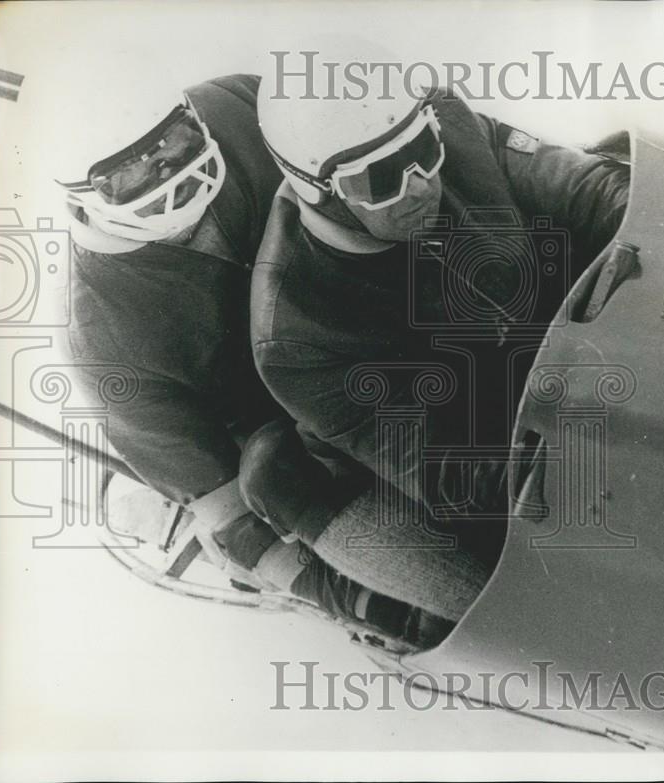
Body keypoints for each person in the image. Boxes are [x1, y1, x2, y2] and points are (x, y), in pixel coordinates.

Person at [53, 70, 450, 648]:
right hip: (315, 438)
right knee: (269, 474)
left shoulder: (242, 105)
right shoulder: (101, 341)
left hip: (399, 319)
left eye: (174, 142)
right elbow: (226, 506)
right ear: (83, 199)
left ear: (192, 114)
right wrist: (334, 592)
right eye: (131, 174)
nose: (169, 174)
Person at [247, 39, 630, 612]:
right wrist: (613, 476)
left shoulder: (448, 124)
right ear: (316, 189)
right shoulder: (298, 338)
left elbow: (589, 189)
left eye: (423, 149)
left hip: (567, 354)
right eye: (381, 179)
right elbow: (450, 476)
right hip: (498, 436)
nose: (422, 182)